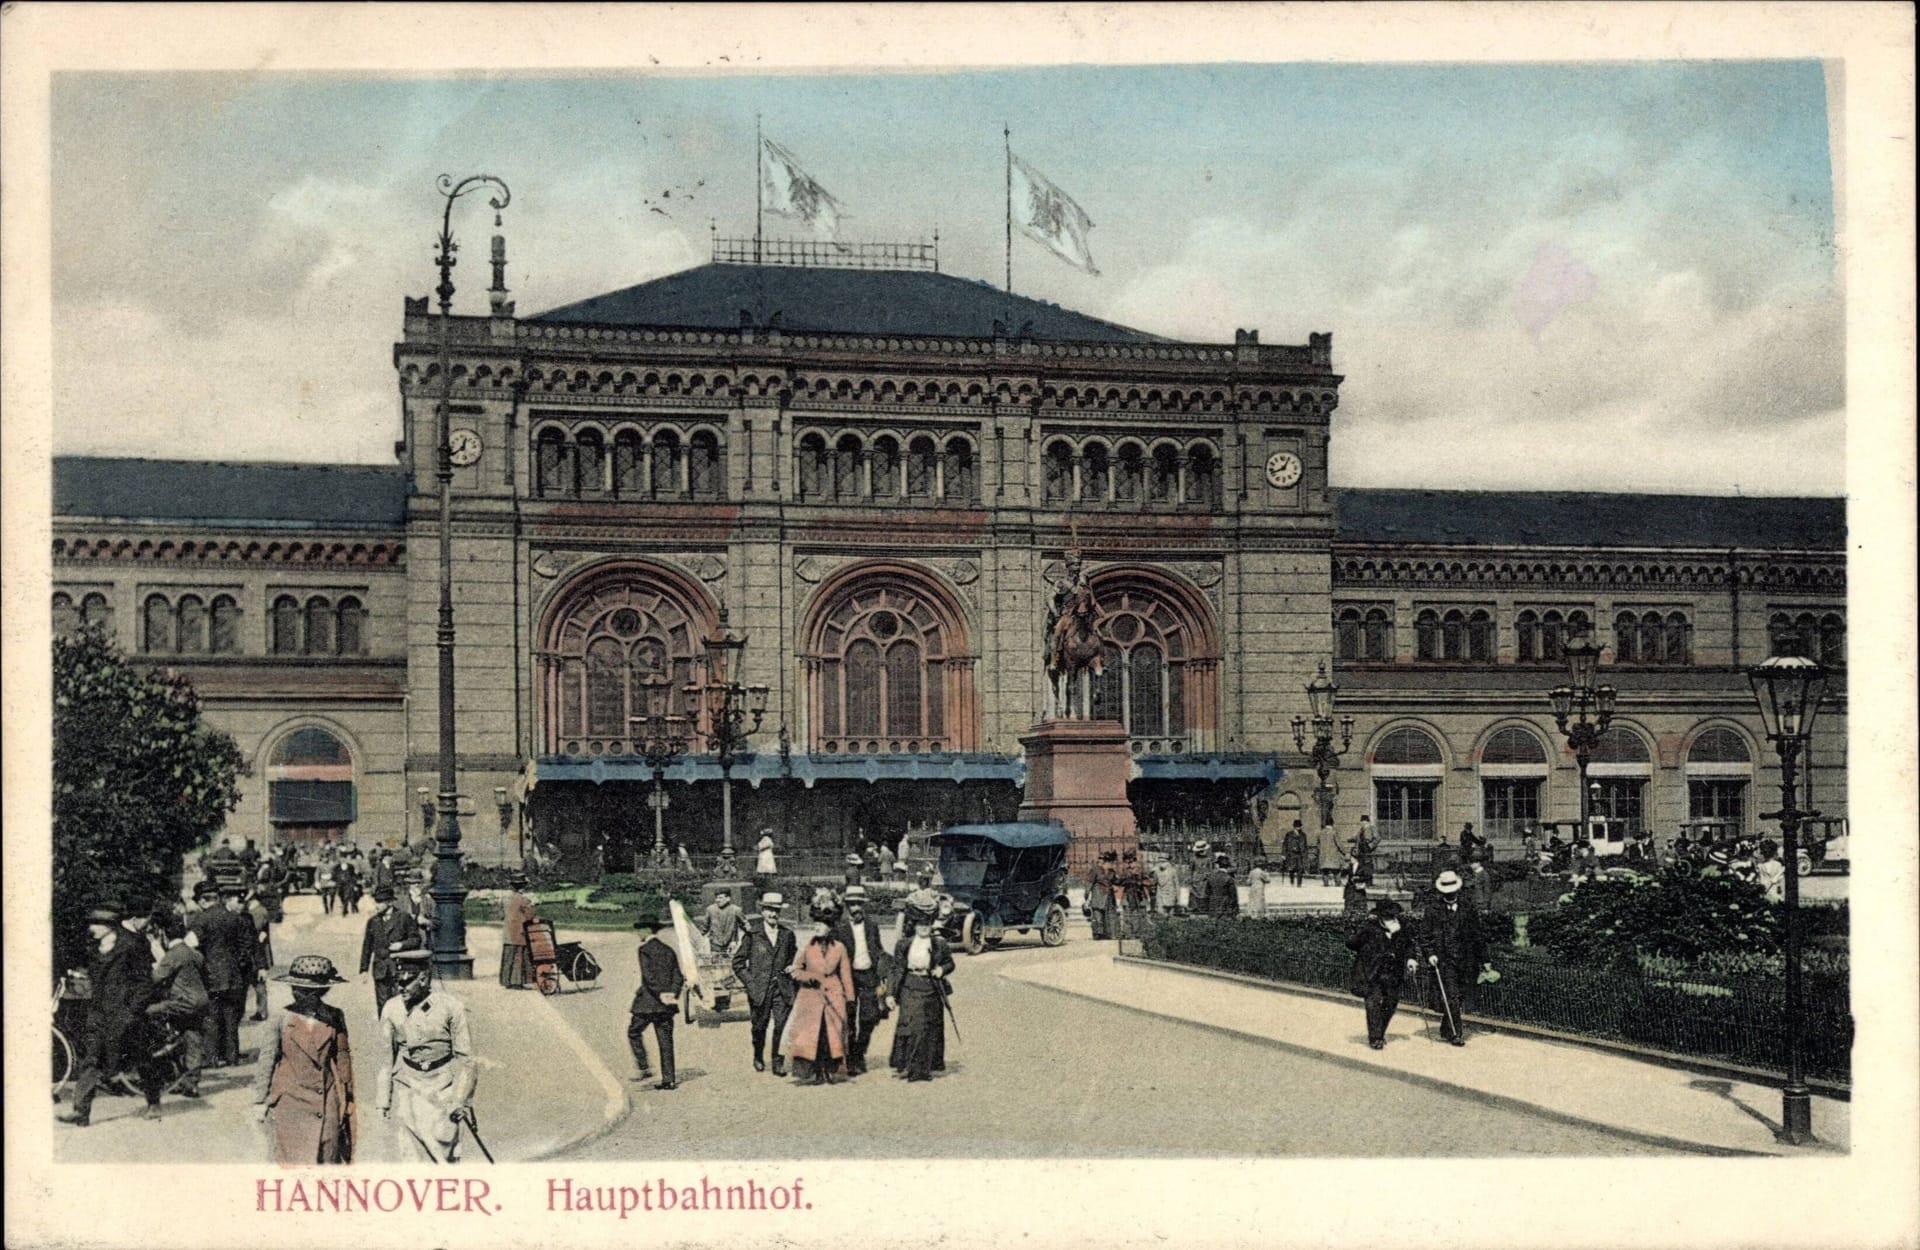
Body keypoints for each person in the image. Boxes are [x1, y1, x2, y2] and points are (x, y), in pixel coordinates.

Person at [60, 903, 166, 1126]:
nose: (92, 927)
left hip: (127, 1014)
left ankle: (154, 1102)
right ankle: (81, 1111)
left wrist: (132, 1010)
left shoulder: (132, 944)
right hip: (99, 1013)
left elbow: (145, 983)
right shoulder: (94, 946)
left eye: (96, 923)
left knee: (141, 1058)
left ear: (110, 925)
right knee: (90, 1059)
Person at [254, 955, 357, 1164]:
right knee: (293, 1161)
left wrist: (348, 1098)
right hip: (290, 1099)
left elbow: (342, 1056)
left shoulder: (334, 1016)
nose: (298, 994)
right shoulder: (281, 1018)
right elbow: (267, 1060)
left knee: (327, 1155)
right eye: (296, 988)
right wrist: (259, 1100)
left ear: (321, 991)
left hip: (325, 1099)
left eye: (307, 991)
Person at [376, 950, 476, 1161]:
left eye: (407, 982)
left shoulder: (450, 1007)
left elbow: (466, 1060)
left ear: (423, 978)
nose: (400, 987)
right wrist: (383, 1100)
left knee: (444, 1154)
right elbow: (386, 1060)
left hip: (443, 1089)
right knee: (411, 1157)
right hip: (409, 1086)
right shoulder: (392, 1009)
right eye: (398, 982)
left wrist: (460, 1099)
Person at [781, 889, 855, 1085]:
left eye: (821, 924)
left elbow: (846, 975)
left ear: (830, 926)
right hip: (810, 998)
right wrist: (809, 977)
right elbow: (795, 969)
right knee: (814, 1035)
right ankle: (814, 1072)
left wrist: (850, 999)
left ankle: (829, 1070)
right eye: (815, 924)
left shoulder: (839, 948)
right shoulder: (807, 947)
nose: (817, 928)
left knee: (831, 1036)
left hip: (833, 996)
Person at [887, 889, 955, 1082]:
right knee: (911, 1026)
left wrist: (942, 970)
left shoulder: (939, 944)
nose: (924, 928)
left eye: (927, 924)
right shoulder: (904, 944)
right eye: (920, 924)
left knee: (927, 1029)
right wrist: (890, 994)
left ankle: (922, 1069)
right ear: (914, 925)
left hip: (931, 988)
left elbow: (950, 963)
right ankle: (908, 1066)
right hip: (909, 986)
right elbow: (896, 969)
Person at [190, 885, 257, 1068]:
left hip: (211, 977)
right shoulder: (236, 919)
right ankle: (232, 1057)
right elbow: (247, 946)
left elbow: (194, 949)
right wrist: (238, 966)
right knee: (231, 1018)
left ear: (204, 900)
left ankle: (212, 1059)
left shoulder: (200, 919)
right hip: (234, 976)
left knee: (211, 1018)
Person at [733, 891, 797, 1075]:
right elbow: (737, 963)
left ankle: (778, 1061)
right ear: (762, 911)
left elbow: (792, 955)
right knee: (759, 1026)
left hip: (782, 989)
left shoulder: (787, 935)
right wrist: (750, 983)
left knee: (780, 1025)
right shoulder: (753, 935)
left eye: (776, 910)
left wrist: (790, 967)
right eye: (769, 910)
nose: (773, 914)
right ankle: (758, 1056)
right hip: (759, 990)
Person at [831, 885, 892, 1076]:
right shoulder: (838, 928)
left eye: (859, 904)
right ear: (847, 906)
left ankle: (859, 1052)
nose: (856, 908)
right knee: (849, 1018)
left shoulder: (872, 925)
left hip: (868, 975)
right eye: (852, 904)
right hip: (848, 978)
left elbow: (879, 949)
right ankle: (851, 1059)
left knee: (869, 1017)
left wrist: (883, 969)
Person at [1420, 870, 1486, 1046]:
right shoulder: (1433, 910)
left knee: (1461, 995)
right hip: (1444, 961)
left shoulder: (1468, 908)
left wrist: (1485, 960)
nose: (1450, 895)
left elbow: (1477, 935)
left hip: (1466, 960)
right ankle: (1457, 1033)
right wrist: (1430, 954)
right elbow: (1424, 936)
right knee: (1452, 996)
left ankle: (1446, 1027)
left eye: (1452, 892)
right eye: (1446, 893)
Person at [147, 913, 209, 1099]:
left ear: (164, 935)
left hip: (182, 1003)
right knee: (193, 1038)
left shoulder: (173, 955)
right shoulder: (195, 953)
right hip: (201, 1002)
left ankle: (166, 1060)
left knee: (148, 1012)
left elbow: (155, 979)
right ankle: (190, 1083)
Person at [1345, 899, 1416, 1049]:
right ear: (1380, 917)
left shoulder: (1403, 928)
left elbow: (1409, 945)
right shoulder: (1369, 928)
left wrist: (1410, 959)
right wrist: (1368, 950)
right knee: (1373, 1003)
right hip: (1373, 972)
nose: (1389, 919)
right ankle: (1375, 1037)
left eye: (1391, 916)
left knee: (1391, 1003)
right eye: (1386, 916)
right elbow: (1351, 943)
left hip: (1394, 972)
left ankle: (1380, 1032)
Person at [628, 907, 685, 1090]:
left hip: (648, 1004)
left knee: (634, 1032)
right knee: (665, 1042)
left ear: (646, 930)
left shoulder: (644, 950)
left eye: (639, 930)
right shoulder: (668, 950)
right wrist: (671, 994)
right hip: (667, 1005)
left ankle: (644, 1067)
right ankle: (669, 1080)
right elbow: (679, 976)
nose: (637, 934)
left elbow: (648, 977)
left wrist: (660, 993)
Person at [359, 884, 423, 1018]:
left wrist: (401, 945)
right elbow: (367, 946)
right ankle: (386, 1035)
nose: (376, 905)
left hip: (400, 969)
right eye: (375, 901)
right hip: (380, 969)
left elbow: (416, 939)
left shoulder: (403, 918)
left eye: (379, 902)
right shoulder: (373, 921)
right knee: (382, 1005)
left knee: (401, 1003)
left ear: (389, 902)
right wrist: (364, 969)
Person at [499, 872, 538, 989]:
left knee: (508, 956)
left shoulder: (505, 899)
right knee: (519, 956)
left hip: (508, 931)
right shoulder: (523, 900)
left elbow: (501, 914)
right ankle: (517, 981)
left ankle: (507, 980)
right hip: (519, 931)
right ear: (523, 886)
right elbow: (530, 915)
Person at [247, 887, 276, 1021]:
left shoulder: (257, 912)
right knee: (258, 982)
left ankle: (262, 1011)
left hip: (258, 951)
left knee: (259, 981)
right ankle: (262, 1010)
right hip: (258, 950)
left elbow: (255, 929)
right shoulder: (259, 910)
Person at [699, 888, 745, 957]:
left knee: (730, 963)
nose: (717, 900)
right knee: (715, 963)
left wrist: (753, 936)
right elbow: (704, 927)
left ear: (728, 898)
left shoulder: (736, 910)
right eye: (716, 898)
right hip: (715, 944)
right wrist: (696, 938)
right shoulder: (710, 910)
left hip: (731, 944)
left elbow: (745, 925)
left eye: (720, 898)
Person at [1086, 851, 1119, 939]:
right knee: (1098, 917)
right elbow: (1089, 883)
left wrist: (1116, 884)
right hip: (1098, 896)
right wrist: (1086, 896)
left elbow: (1116, 881)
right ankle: (1098, 934)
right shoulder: (1095, 870)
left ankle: (1110, 933)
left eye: (1111, 862)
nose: (1111, 864)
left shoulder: (1112, 872)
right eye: (1110, 862)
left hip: (1109, 897)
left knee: (1110, 916)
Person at [1282, 821, 1309, 888]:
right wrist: (1283, 854)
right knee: (1291, 869)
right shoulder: (1289, 834)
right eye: (1297, 826)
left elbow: (1305, 845)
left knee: (1300, 869)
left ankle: (1299, 884)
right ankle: (1292, 882)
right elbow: (1285, 844)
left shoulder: (1303, 835)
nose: (1298, 828)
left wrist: (1305, 854)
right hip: (1291, 854)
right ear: (1294, 827)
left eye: (1299, 826)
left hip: (1300, 854)